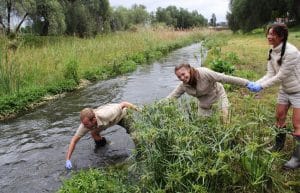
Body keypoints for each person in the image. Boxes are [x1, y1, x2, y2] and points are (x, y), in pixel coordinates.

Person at [246, 23, 300, 169]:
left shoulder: (292, 52)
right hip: (285, 90)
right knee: (279, 117)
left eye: (273, 34)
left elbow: (281, 76)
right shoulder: (272, 50)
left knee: (297, 124)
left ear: (281, 36)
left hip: (298, 91)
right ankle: (278, 145)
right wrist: (255, 82)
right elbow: (270, 73)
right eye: (268, 33)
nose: (269, 36)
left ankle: (297, 158)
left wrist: (261, 87)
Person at [167, 63, 251, 123]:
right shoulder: (184, 86)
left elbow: (225, 78)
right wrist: (157, 106)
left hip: (218, 97)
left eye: (183, 74)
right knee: (204, 127)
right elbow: (172, 96)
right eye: (179, 77)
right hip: (204, 105)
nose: (182, 78)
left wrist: (247, 83)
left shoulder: (204, 73)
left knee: (224, 122)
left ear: (189, 70)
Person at [65, 101, 137, 170]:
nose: (84, 126)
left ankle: (140, 152)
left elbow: (124, 103)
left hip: (121, 117)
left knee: (135, 134)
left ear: (94, 120)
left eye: (86, 124)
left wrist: (140, 110)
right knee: (94, 133)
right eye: (83, 124)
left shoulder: (107, 114)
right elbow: (74, 141)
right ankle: (105, 145)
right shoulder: (85, 125)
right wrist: (68, 159)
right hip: (102, 124)